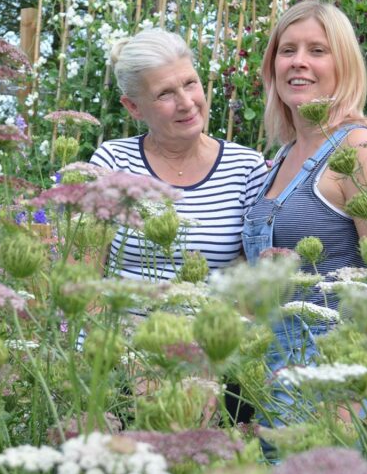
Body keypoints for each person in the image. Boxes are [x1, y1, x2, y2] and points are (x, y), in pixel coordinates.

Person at [242, 0, 367, 442]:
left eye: (317, 50)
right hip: (276, 387)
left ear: (343, 65)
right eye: (288, 50)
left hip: (343, 390)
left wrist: (346, 396)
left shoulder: (358, 149)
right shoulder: (280, 159)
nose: (299, 61)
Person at [89, 28, 268, 285]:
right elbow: (82, 278)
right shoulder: (112, 163)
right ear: (133, 107)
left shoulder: (246, 168)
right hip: (123, 322)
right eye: (165, 93)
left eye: (190, 84)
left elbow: (255, 282)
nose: (186, 103)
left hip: (213, 323)